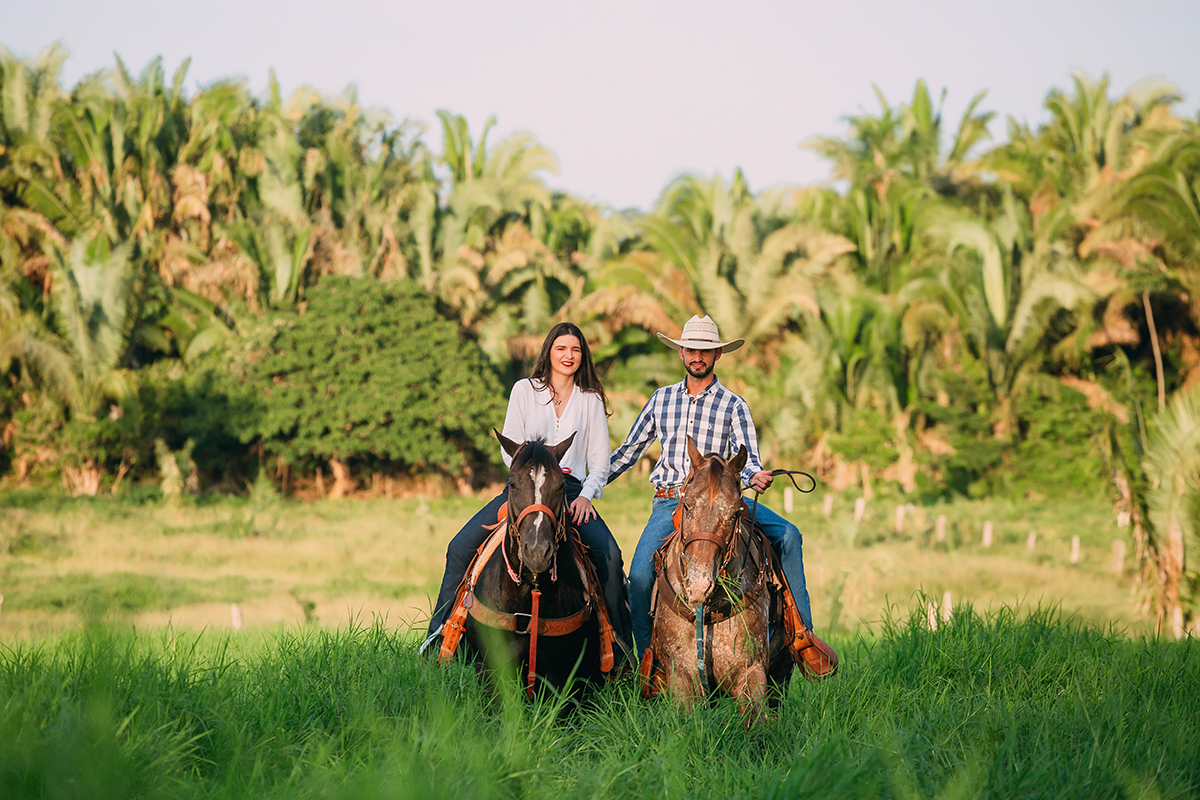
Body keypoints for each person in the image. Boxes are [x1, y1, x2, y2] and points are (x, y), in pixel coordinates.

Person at [607, 314, 838, 678]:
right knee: (638, 577)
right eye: (691, 349)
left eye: (705, 350)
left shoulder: (734, 404)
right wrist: (588, 484)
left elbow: (748, 459)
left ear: (716, 356)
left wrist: (755, 475)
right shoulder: (661, 399)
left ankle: (801, 634)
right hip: (672, 501)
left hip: (725, 505)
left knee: (790, 536)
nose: (697, 356)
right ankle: (648, 663)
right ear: (681, 353)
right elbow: (628, 450)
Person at [424, 322, 633, 661]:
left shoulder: (591, 400)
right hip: (523, 488)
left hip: (568, 490)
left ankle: (618, 648)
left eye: (576, 350)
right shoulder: (524, 390)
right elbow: (509, 447)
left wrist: (585, 496)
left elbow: (600, 462)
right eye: (561, 348)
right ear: (548, 352)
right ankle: (439, 636)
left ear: (583, 356)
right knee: (460, 547)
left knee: (610, 556)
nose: (569, 356)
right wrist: (529, 471)